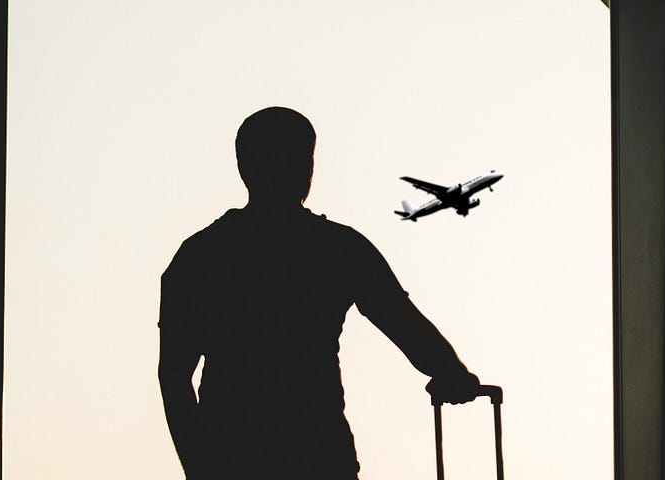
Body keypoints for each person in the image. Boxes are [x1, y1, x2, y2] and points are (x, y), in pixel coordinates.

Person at [158, 106, 483, 480]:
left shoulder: (201, 255)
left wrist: (201, 469)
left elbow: (174, 377)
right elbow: (403, 322)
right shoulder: (337, 248)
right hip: (319, 456)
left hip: (236, 456)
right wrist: (450, 372)